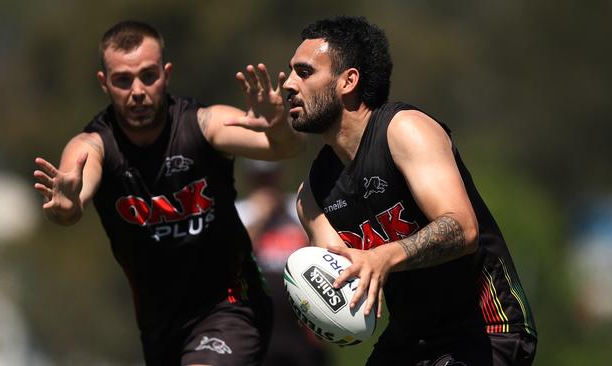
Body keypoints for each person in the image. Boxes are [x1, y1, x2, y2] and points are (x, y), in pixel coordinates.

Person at [33, 20, 305, 366]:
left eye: (148, 75)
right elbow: (72, 199)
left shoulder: (204, 125)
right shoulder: (94, 146)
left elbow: (285, 149)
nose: (137, 91)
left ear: (166, 74)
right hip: (160, 327)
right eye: (122, 80)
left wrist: (278, 123)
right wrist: (66, 205)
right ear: (104, 84)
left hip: (232, 305)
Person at [285, 16, 537, 365]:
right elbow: (339, 283)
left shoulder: (404, 130)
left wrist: (382, 256)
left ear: (348, 81)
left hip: (485, 329)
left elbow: (463, 228)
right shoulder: (311, 195)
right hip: (409, 339)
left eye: (304, 71)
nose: (288, 83)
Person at [235, 160, 331, 366]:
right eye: (260, 178)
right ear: (249, 178)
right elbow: (231, 259)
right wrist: (260, 217)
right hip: (256, 326)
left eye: (271, 176)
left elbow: (322, 255)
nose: (266, 184)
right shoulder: (239, 212)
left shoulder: (298, 208)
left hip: (301, 328)